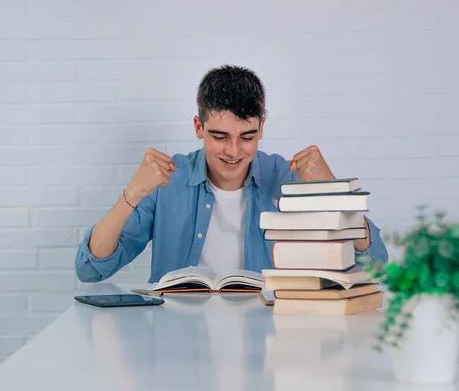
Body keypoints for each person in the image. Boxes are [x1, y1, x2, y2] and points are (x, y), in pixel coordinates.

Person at [75, 65, 388, 283]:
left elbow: (375, 264)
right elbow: (91, 269)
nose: (234, 151)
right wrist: (131, 195)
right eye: (220, 137)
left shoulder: (287, 177)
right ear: (199, 127)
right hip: (177, 338)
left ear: (261, 127)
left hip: (267, 334)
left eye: (247, 137)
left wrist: (333, 193)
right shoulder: (168, 179)